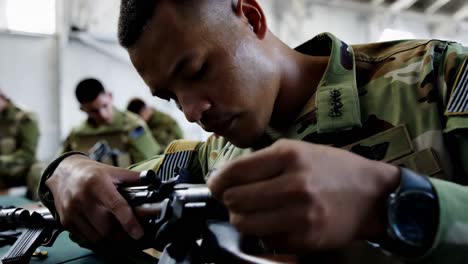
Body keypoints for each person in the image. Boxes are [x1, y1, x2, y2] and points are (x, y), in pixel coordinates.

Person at [38, 0, 467, 263]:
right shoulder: (214, 156)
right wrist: (66, 169)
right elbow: (104, 190)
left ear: (251, 16)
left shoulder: (439, 77)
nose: (192, 112)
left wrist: (389, 201)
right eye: (170, 96)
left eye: (198, 70)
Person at [58, 78, 161, 167]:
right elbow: (59, 167)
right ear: (82, 109)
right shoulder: (77, 135)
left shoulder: (133, 126)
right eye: (94, 111)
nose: (103, 114)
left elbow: (152, 164)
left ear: (110, 96)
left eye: (104, 106)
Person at [0, 90, 39, 191]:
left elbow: (28, 154)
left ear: (2, 98)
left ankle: (38, 204)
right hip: (2, 170)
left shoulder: (24, 117)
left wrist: (3, 161)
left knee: (37, 171)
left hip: (21, 168)